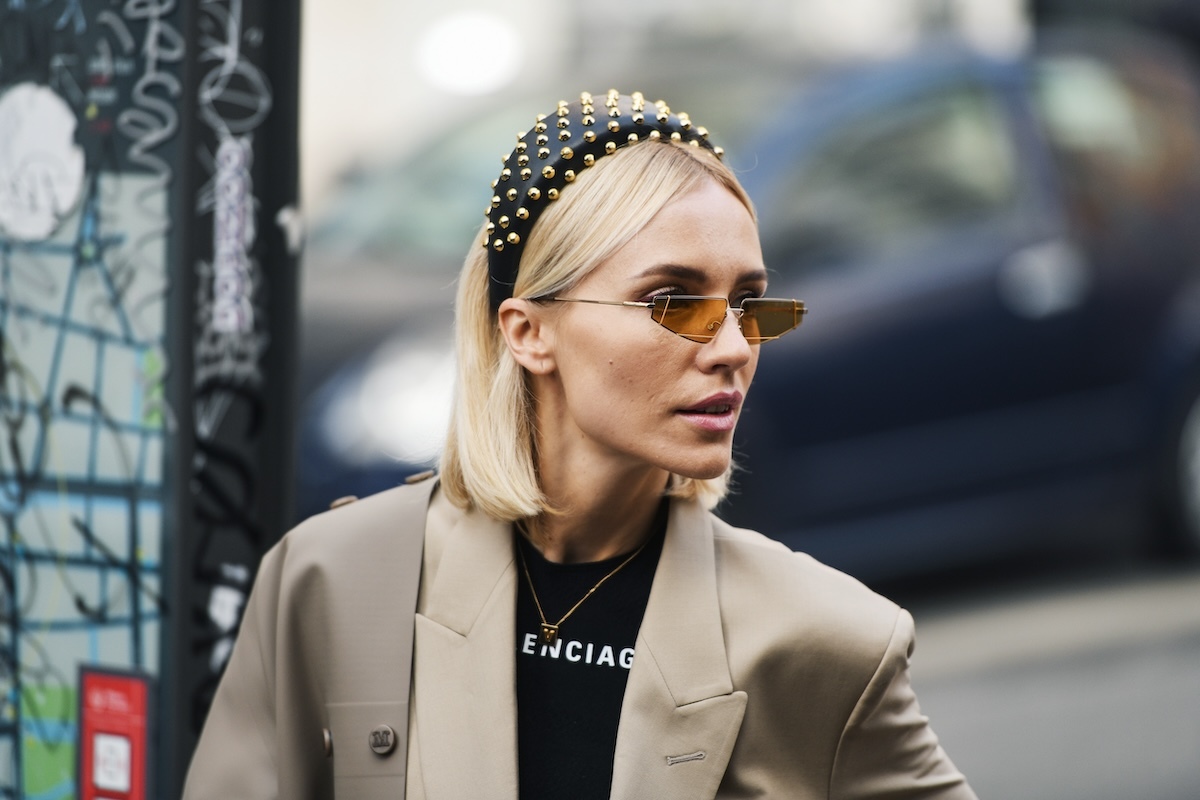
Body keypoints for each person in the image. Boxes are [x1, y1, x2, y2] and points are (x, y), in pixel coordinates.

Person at [183, 90, 977, 799]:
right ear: (528, 332)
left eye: (750, 303)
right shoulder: (333, 577)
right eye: (673, 300)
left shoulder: (825, 638)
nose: (734, 346)